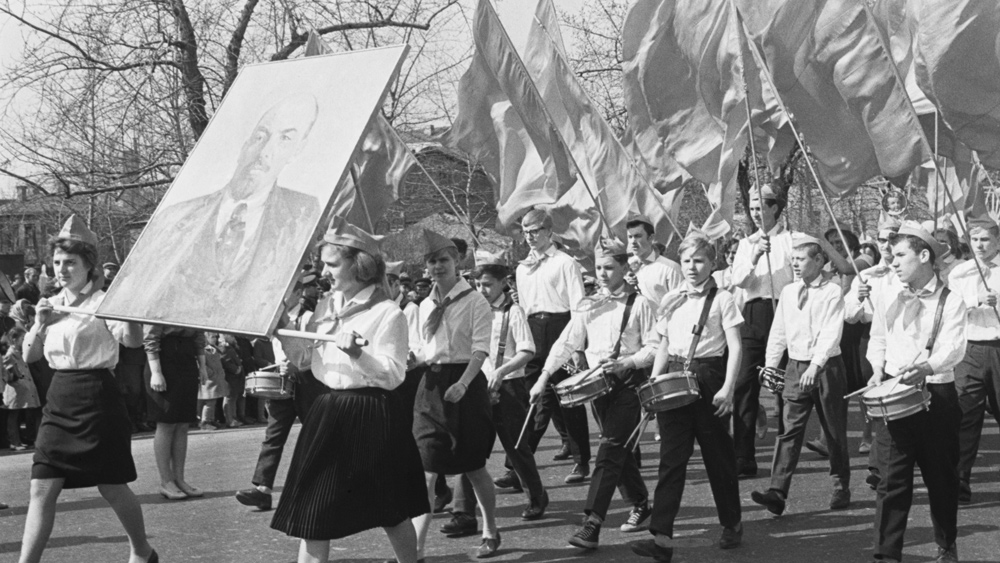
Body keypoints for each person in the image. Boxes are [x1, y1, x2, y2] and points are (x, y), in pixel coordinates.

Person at [269, 218, 427, 563]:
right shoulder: (325, 306)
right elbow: (305, 361)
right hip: (327, 411)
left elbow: (393, 375)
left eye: (332, 264)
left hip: (372, 413)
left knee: (392, 508)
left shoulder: (388, 313)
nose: (325, 272)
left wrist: (358, 353)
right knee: (313, 512)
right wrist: (281, 329)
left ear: (358, 264)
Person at [105, 94, 323, 334]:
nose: (265, 151)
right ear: (245, 143)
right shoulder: (175, 217)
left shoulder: (302, 214)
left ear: (297, 150)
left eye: (285, 139)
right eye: (260, 136)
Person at [18, 215, 156, 563]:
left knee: (111, 485)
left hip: (97, 398)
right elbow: (30, 354)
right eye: (58, 262)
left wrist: (133, 314)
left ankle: (141, 550)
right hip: (59, 398)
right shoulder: (49, 304)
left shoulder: (104, 302)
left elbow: (132, 343)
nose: (62, 269)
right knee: (41, 487)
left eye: (70, 263)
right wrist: (39, 323)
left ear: (88, 264)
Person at [531, 237, 656, 549]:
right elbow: (567, 341)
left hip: (629, 383)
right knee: (617, 448)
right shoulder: (588, 304)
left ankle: (592, 521)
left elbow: (654, 347)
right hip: (598, 386)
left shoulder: (639, 304)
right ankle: (641, 501)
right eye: (598, 267)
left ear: (625, 267)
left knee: (610, 447)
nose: (601, 273)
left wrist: (629, 361)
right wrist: (544, 375)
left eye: (609, 267)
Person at [631, 231, 743, 563]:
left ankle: (732, 523)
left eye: (699, 260)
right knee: (671, 460)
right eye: (686, 261)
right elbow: (664, 344)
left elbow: (735, 345)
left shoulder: (723, 298)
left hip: (709, 378)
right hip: (674, 379)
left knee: (718, 457)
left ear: (712, 263)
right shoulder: (672, 299)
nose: (692, 267)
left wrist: (728, 388)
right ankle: (662, 538)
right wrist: (653, 385)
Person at [866, 221, 965, 563]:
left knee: (941, 479)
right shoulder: (887, 293)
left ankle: (946, 543)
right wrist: (877, 369)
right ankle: (886, 554)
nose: (892, 262)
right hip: (894, 397)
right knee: (891, 482)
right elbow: (877, 338)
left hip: (936, 397)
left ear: (924, 256)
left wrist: (927, 366)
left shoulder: (951, 300)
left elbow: (954, 347)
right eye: (892, 255)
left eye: (900, 255)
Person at [442, 250, 547, 538]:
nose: (482, 290)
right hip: (477, 385)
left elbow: (527, 350)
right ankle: (462, 512)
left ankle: (536, 495)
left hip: (509, 387)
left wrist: (501, 372)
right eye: (478, 285)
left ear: (503, 283)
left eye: (488, 284)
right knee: (469, 448)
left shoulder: (514, 312)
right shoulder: (474, 309)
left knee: (515, 447)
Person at [409, 230, 500, 559]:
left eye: (443, 260)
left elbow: (480, 349)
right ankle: (416, 550)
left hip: (465, 386)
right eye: (432, 261)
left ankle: (490, 528)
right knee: (428, 470)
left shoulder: (475, 301)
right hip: (431, 388)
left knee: (473, 467)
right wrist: (413, 358)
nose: (437, 267)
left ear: (457, 261)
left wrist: (464, 382)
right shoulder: (424, 305)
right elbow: (422, 348)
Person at [751, 234, 851, 516]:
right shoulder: (789, 292)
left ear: (819, 261)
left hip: (827, 367)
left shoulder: (832, 291)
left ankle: (840, 485)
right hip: (795, 367)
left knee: (833, 430)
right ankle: (777, 491)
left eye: (801, 259)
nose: (795, 264)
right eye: (793, 259)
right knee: (789, 430)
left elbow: (832, 332)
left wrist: (816, 366)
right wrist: (771, 365)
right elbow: (779, 330)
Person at [236, 272, 327, 512]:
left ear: (297, 294)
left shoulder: (309, 318)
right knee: (273, 435)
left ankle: (325, 485)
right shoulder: (274, 320)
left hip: (308, 382)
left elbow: (313, 353)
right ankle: (262, 490)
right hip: (281, 381)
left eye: (283, 295)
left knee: (316, 434)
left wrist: (296, 365)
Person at [513, 208, 590, 486]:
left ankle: (582, 461)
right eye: (525, 232)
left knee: (569, 397)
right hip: (534, 331)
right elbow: (522, 308)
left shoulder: (565, 262)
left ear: (548, 232)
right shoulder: (523, 268)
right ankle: (520, 463)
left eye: (534, 231)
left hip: (562, 327)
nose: (530, 237)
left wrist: (578, 347)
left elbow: (579, 306)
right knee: (534, 398)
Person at [729, 184, 795, 477]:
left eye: (761, 208)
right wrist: (755, 255)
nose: (756, 214)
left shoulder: (792, 240)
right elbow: (739, 281)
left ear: (774, 209)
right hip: (753, 313)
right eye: (752, 208)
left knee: (781, 384)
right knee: (744, 384)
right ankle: (743, 456)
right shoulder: (746, 244)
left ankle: (784, 458)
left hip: (783, 311)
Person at [845, 215, 903, 488]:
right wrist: (858, 295)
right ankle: (878, 466)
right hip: (871, 340)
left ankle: (899, 459)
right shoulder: (867, 274)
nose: (888, 245)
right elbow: (849, 315)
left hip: (904, 341)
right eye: (883, 239)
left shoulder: (912, 270)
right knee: (876, 400)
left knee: (903, 403)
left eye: (893, 238)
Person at [947, 215, 1000, 504]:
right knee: (965, 415)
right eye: (975, 239)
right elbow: (953, 311)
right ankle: (960, 480)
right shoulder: (961, 273)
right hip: (971, 350)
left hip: (998, 347)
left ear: (998, 241)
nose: (979, 245)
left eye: (986, 240)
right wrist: (976, 300)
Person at [144, 324, 208, 500]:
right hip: (164, 360)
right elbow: (151, 338)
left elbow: (199, 336)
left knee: (182, 424)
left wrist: (202, 367)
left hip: (187, 360)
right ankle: (166, 481)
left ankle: (179, 479)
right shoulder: (160, 301)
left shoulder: (193, 303)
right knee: (166, 423)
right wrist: (156, 372)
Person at [625, 213, 683, 305]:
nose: (633, 242)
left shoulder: (670, 268)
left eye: (638, 236)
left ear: (651, 238)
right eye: (630, 237)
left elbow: (679, 303)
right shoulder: (624, 267)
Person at [4, 326, 41, 450]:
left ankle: (25, 440)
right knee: (14, 415)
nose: (24, 341)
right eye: (22, 338)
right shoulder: (10, 354)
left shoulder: (21, 352)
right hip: (16, 389)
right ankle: (15, 442)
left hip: (25, 388)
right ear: (14, 340)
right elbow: (10, 373)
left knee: (25, 413)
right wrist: (18, 378)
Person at [199, 334, 229, 430]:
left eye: (216, 337)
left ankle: (211, 420)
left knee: (214, 401)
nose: (215, 339)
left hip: (216, 379)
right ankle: (205, 421)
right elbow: (201, 364)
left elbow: (221, 354)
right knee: (209, 402)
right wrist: (211, 373)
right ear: (206, 338)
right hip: (209, 380)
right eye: (212, 337)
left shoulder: (213, 348)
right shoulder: (203, 349)